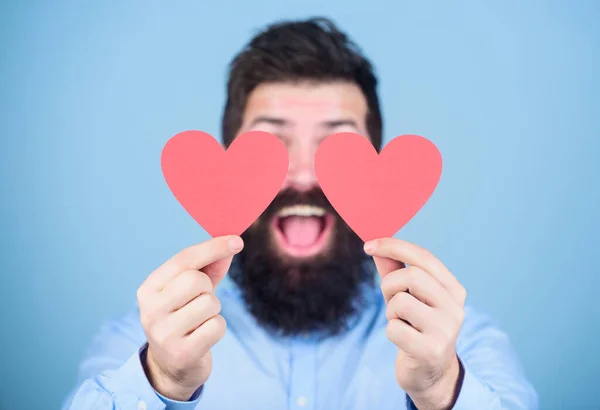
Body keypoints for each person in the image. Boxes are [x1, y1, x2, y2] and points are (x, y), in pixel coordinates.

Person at [63, 17, 538, 410]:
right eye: (272, 143)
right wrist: (162, 381)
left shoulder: (465, 343)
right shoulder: (141, 341)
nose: (306, 174)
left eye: (338, 144)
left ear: (376, 160)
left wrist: (440, 389)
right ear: (229, 158)